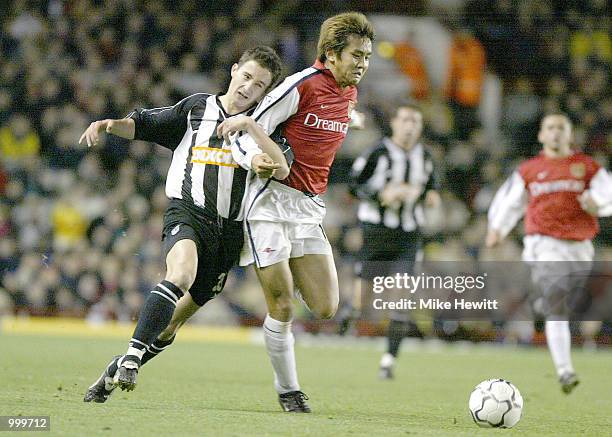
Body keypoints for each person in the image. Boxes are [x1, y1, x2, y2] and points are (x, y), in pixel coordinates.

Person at [81, 46, 289, 403]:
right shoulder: (197, 108)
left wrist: (262, 156)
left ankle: (119, 367)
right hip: (188, 212)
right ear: (234, 69)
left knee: (172, 324)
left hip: (229, 233)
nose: (248, 87)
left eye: (259, 85)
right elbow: (146, 125)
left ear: (266, 93)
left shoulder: (265, 125)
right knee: (179, 274)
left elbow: (282, 164)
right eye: (246, 76)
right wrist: (110, 125)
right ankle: (132, 353)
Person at [221, 12, 374, 413]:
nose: (362, 64)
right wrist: (254, 159)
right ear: (332, 54)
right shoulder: (300, 85)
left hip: (308, 210)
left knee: (325, 306)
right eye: (356, 55)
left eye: (367, 57)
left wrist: (352, 120)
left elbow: (337, 116)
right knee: (283, 303)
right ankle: (289, 390)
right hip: (269, 203)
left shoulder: (349, 92)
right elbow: (246, 126)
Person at [486, 114, 611, 394]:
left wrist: (597, 203)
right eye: (551, 128)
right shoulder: (530, 170)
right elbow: (509, 201)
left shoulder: (587, 167)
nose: (555, 133)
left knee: (564, 305)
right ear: (542, 135)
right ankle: (565, 370)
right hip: (543, 243)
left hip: (579, 248)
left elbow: (608, 192)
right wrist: (497, 228)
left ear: (570, 135)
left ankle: (540, 303)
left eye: (561, 129)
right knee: (558, 303)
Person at [348, 104, 440, 379]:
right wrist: (380, 195)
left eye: (415, 120)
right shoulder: (378, 152)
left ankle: (388, 361)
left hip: (408, 234)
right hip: (377, 231)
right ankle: (348, 320)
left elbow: (431, 186)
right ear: (394, 123)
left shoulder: (425, 156)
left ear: (420, 126)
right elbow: (354, 184)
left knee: (401, 296)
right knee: (363, 299)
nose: (410, 125)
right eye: (405, 119)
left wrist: (430, 196)